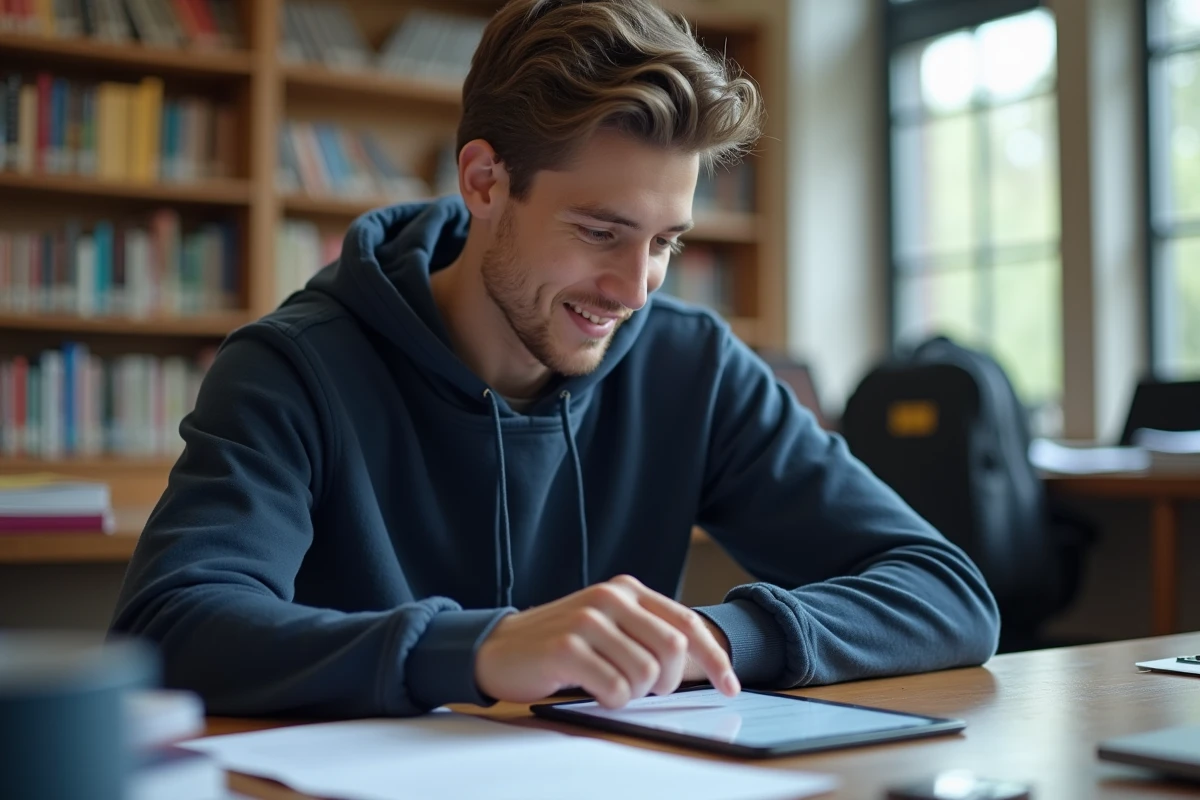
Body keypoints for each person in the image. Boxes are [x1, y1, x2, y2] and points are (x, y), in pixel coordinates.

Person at [110, 0, 999, 718]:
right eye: (600, 232)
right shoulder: (291, 368)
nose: (635, 287)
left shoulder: (692, 365)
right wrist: (480, 649)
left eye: (665, 242)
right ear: (485, 181)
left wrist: (711, 640)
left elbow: (947, 593)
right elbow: (170, 627)